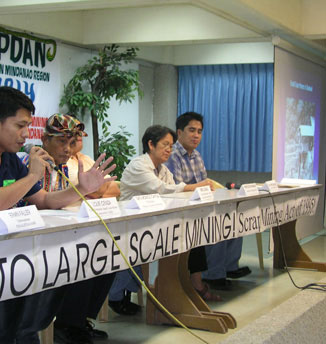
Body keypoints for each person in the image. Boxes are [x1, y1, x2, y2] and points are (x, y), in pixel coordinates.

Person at [0, 87, 116, 344]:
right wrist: (33, 175)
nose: (26, 134)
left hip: (7, 249)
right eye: (20, 125)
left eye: (28, 126)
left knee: (54, 272)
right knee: (13, 320)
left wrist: (82, 188)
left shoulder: (9, 158)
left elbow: (44, 200)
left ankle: (31, 332)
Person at [26, 114, 115, 344]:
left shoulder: (62, 166)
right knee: (82, 258)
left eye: (71, 142)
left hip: (55, 233)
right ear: (45, 139)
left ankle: (75, 321)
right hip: (30, 241)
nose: (67, 149)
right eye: (61, 142)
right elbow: (43, 201)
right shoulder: (30, 162)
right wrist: (81, 190)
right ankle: (67, 325)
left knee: (105, 255)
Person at [108, 125, 216, 315]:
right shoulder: (139, 165)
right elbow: (162, 189)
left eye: (171, 146)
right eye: (165, 144)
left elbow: (172, 191)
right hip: (128, 226)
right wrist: (195, 187)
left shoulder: (162, 169)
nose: (169, 149)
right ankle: (117, 296)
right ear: (151, 144)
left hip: (151, 223)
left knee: (190, 238)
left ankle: (176, 289)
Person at [165, 111, 250, 292]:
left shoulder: (196, 156)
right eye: (192, 130)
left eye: (200, 131)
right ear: (179, 133)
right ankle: (213, 274)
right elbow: (177, 189)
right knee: (216, 224)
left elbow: (205, 186)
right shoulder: (172, 156)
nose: (196, 135)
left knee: (234, 218)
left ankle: (229, 267)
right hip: (182, 210)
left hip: (200, 204)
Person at [67, 131, 120, 199]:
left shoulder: (85, 158)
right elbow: (87, 189)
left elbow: (115, 189)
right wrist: (100, 193)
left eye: (80, 130)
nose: (80, 134)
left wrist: (96, 194)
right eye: (73, 130)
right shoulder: (63, 161)